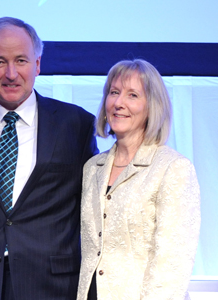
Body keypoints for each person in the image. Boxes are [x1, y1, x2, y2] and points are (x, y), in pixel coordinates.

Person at [0, 17, 98, 300]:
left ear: (37, 64)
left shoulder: (76, 124)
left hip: (54, 286)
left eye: (21, 60)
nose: (11, 73)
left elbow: (95, 206)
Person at [77, 59, 201, 300]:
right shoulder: (92, 168)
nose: (118, 103)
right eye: (114, 92)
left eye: (132, 95)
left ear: (151, 107)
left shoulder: (173, 167)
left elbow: (172, 263)